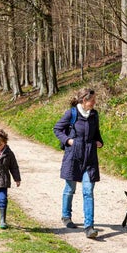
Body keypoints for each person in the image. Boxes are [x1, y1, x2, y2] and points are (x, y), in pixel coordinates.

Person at [53, 88, 103, 239]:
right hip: (73, 157)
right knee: (70, 189)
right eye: (92, 100)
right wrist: (68, 140)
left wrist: (99, 141)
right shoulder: (72, 113)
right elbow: (57, 129)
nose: (94, 103)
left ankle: (89, 226)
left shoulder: (94, 115)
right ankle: (66, 216)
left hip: (90, 158)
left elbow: (96, 132)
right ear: (84, 101)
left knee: (88, 191)